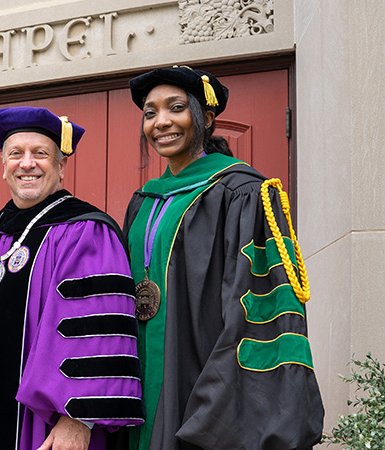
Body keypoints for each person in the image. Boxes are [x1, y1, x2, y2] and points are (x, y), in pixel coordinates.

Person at [122, 66, 324, 449]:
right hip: (139, 385)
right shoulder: (143, 201)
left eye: (176, 108)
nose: (161, 122)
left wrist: (213, 405)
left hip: (201, 384)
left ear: (207, 117)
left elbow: (258, 311)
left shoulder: (244, 194)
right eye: (150, 112)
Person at [0, 106, 144, 450]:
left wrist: (78, 418)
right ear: (3, 167)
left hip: (51, 426)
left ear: (61, 167)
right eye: (15, 154)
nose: (27, 163)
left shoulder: (86, 232)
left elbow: (97, 334)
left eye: (41, 153)